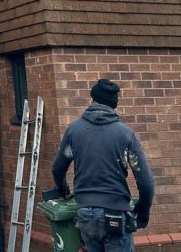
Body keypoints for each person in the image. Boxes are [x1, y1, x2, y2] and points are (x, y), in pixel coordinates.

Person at [52, 78, 154, 252]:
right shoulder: (125, 134)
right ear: (114, 105)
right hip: (115, 213)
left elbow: (57, 169)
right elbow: (145, 182)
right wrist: (143, 210)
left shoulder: (74, 130)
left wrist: (64, 190)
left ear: (91, 100)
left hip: (86, 215)